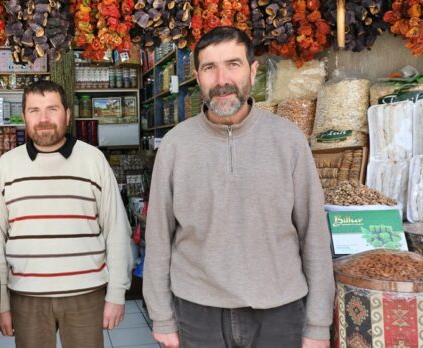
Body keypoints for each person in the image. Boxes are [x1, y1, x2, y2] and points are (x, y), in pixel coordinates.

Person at [143, 26, 334, 348]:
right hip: (197, 311)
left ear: (252, 70)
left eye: (233, 64)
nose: (222, 80)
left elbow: (313, 234)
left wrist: (317, 323)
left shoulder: (288, 140)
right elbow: (159, 236)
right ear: (197, 76)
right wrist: (161, 315)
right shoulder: (176, 145)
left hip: (279, 310)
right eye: (209, 68)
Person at [0, 80, 134, 348]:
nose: (43, 119)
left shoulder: (93, 160)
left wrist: (117, 294)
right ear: (24, 116)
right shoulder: (7, 166)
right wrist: (1, 303)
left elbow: (117, 231)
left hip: (86, 295)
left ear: (68, 114)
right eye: (34, 110)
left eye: (52, 109)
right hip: (26, 298)